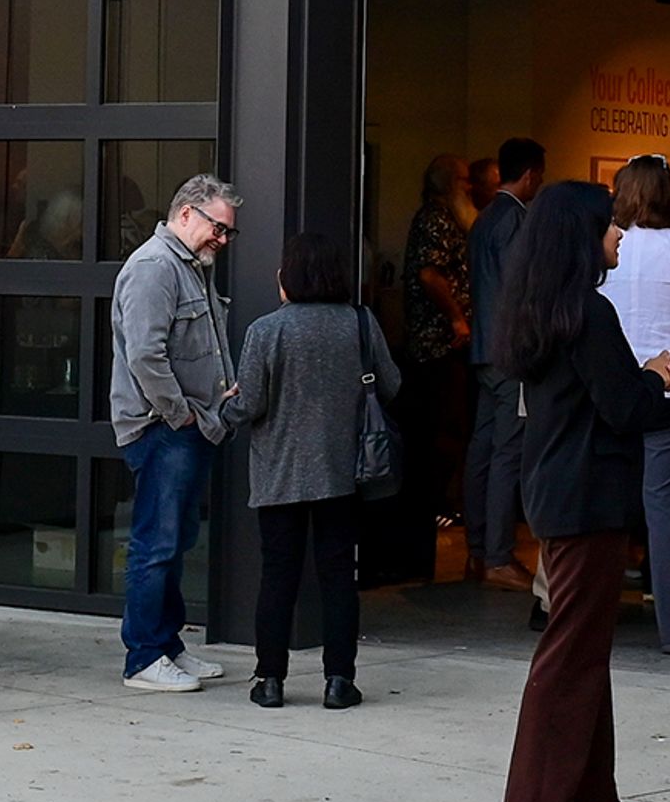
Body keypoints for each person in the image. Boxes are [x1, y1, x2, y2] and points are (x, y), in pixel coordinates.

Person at [496, 182, 661, 802]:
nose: (619, 236)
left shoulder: (545, 310)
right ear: (580, 237)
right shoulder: (588, 314)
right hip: (587, 494)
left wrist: (644, 381)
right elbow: (624, 406)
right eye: (610, 226)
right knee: (570, 648)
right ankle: (537, 796)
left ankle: (589, 790)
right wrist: (660, 380)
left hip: (565, 490)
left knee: (586, 646)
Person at [223, 230, 396, 707]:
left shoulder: (266, 331)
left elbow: (250, 404)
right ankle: (339, 681)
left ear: (288, 277)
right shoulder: (360, 324)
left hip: (279, 473)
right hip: (344, 473)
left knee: (278, 576)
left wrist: (225, 408)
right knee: (339, 577)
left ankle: (270, 680)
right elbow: (392, 384)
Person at [112, 172, 240, 692]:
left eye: (229, 231)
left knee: (175, 540)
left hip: (191, 428)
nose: (223, 239)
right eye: (218, 227)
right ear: (186, 213)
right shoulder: (153, 267)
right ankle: (143, 658)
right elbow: (145, 354)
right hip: (163, 429)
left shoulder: (190, 266)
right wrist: (180, 412)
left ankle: (167, 646)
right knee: (156, 544)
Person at [597, 156, 670, 655]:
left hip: (619, 390)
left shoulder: (609, 247)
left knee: (604, 505)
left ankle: (594, 621)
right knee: (662, 508)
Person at [461, 136, 547, 593]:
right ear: (530, 174)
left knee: (483, 448)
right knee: (507, 452)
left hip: (483, 349)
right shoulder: (516, 220)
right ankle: (496, 555)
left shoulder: (482, 220)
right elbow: (522, 288)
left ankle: (478, 550)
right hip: (510, 350)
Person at [392, 154, 479, 578]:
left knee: (452, 430)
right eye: (463, 181)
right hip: (438, 345)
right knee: (443, 433)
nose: (470, 188)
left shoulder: (447, 217)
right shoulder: (438, 218)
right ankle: (434, 511)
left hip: (446, 343)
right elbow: (429, 274)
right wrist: (456, 317)